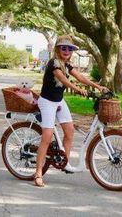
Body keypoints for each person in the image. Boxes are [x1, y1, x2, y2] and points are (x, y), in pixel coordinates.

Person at [34, 35, 107, 187]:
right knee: (47, 137)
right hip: (47, 102)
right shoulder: (54, 63)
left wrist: (97, 86)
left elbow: (80, 77)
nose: (67, 51)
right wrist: (78, 90)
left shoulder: (67, 65)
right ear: (57, 49)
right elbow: (64, 80)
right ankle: (38, 173)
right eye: (64, 48)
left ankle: (64, 162)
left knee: (69, 131)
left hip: (58, 101)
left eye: (70, 49)